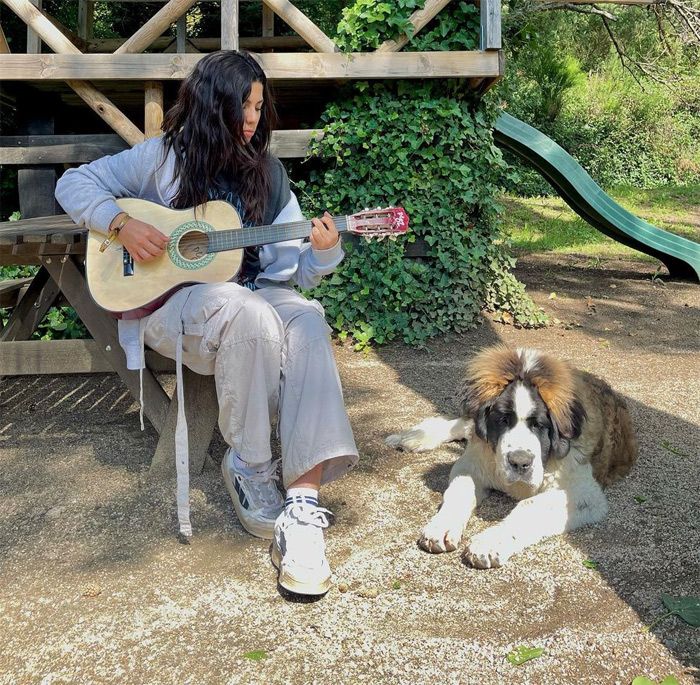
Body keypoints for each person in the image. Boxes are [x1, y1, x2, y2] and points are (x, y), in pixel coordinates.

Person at [55, 50, 358, 596]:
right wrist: (120, 224)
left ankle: (304, 501)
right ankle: (250, 464)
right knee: (248, 311)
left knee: (307, 318)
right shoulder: (160, 160)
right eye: (242, 107)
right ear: (211, 106)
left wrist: (325, 252)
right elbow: (75, 184)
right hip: (173, 309)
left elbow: (294, 271)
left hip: (250, 303)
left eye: (259, 107)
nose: (252, 119)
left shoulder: (268, 173)